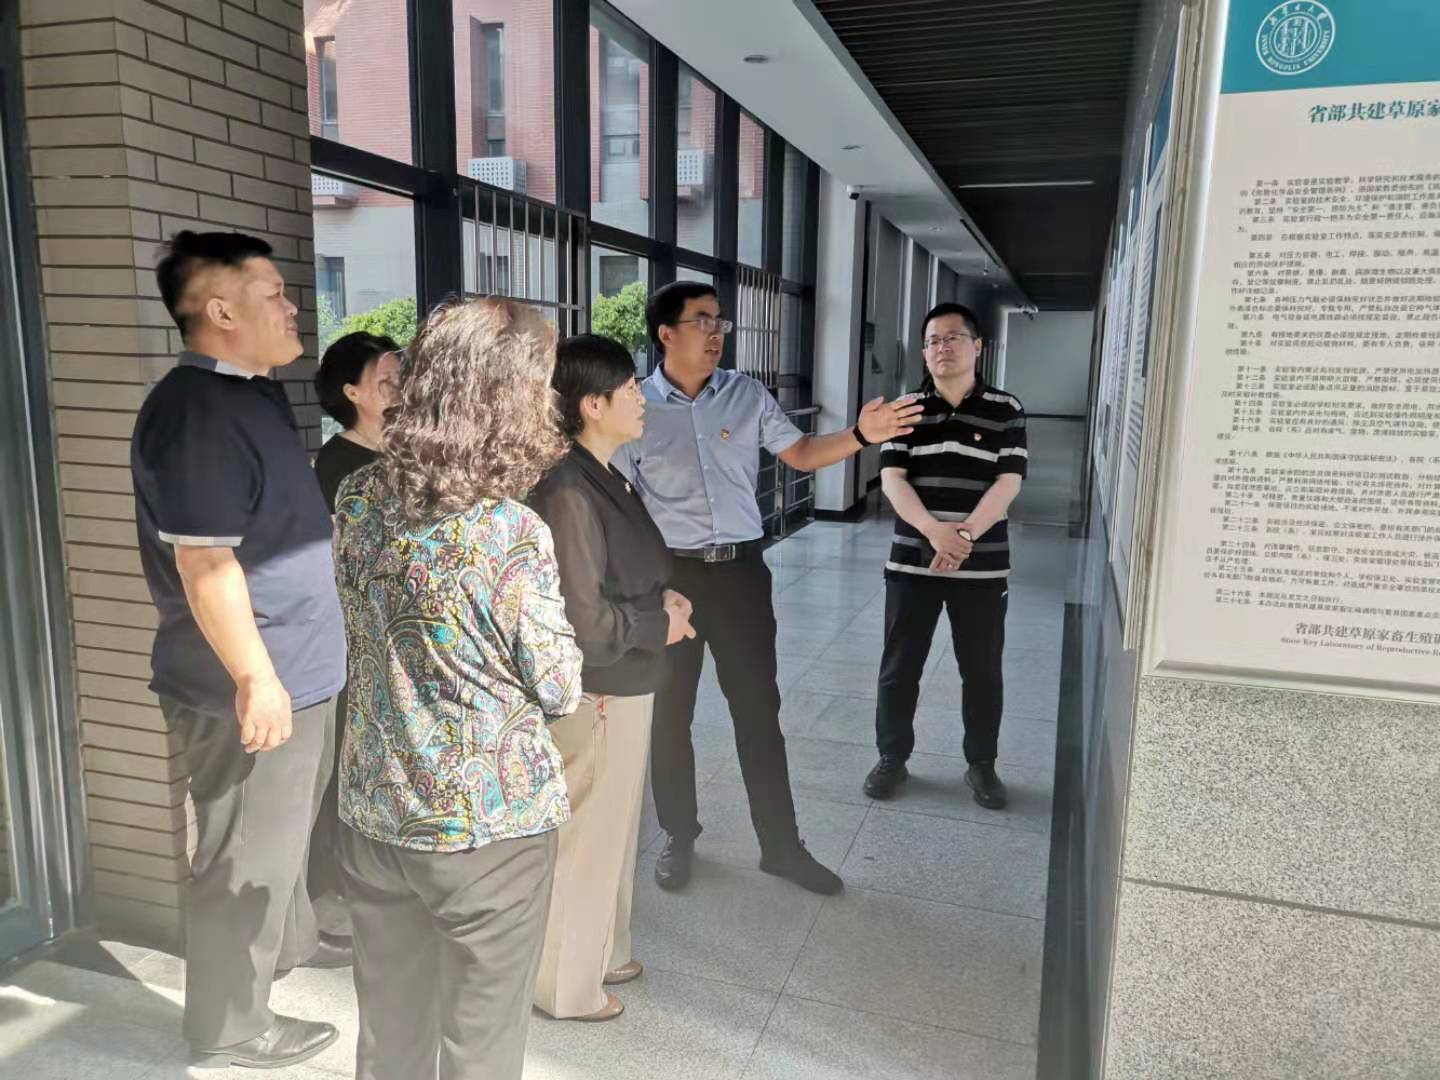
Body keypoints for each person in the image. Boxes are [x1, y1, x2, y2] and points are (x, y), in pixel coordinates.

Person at [332, 296, 583, 1080]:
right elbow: (558, 686)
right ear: (510, 399)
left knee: (390, 1034)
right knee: (480, 1045)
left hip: (375, 805)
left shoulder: (357, 495)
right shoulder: (509, 531)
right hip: (487, 824)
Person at [625, 280, 924, 895]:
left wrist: (862, 435)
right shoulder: (635, 408)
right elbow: (623, 503)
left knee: (759, 712)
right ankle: (679, 836)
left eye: (720, 321)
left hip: (741, 576)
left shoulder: (746, 394)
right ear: (666, 334)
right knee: (670, 715)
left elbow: (804, 453)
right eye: (702, 320)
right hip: (671, 580)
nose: (716, 332)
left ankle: (782, 847)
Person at [131, 230, 349, 1070]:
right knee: (243, 857)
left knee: (278, 844)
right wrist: (257, 680)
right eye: (275, 295)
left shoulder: (252, 396)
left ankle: (285, 950)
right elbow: (205, 562)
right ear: (221, 311)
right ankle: (231, 1026)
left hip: (299, 672)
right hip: (251, 687)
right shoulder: (196, 414)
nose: (293, 308)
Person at [528, 334, 696, 1023]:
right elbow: (583, 621)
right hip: (600, 685)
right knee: (588, 837)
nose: (640, 396)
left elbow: (626, 573)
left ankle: (604, 952)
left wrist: (665, 601)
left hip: (629, 677)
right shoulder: (568, 488)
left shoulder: (604, 472)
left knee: (617, 828)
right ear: (591, 405)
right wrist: (660, 623)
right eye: (629, 387)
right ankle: (564, 987)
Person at [863, 302, 1027, 808]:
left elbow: (1009, 480)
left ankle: (982, 765)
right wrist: (936, 532)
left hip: (983, 565)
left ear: (978, 347)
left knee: (981, 670)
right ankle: (892, 758)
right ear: (923, 351)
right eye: (933, 340)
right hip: (912, 560)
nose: (942, 348)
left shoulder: (1005, 408)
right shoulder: (905, 410)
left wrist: (965, 537)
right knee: (899, 667)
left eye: (953, 338)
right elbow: (893, 479)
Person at [313, 331, 402, 512]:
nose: (399, 388)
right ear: (353, 393)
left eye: (401, 376)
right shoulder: (334, 462)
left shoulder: (417, 444)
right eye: (386, 380)